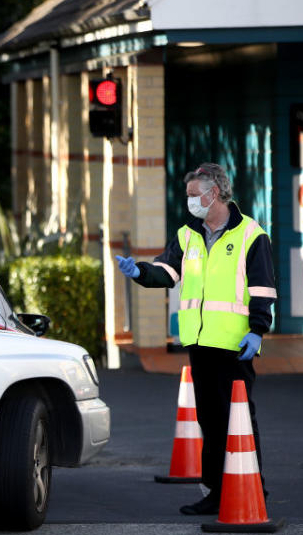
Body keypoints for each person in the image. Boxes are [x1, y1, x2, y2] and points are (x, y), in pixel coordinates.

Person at [115, 162, 277, 515]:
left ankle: (254, 489)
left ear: (213, 193)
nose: (188, 201)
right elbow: (167, 271)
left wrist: (257, 330)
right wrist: (140, 271)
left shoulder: (251, 234)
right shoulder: (188, 235)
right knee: (210, 420)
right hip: (201, 343)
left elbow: (262, 288)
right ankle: (216, 493)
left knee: (239, 420)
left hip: (236, 346)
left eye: (193, 195)